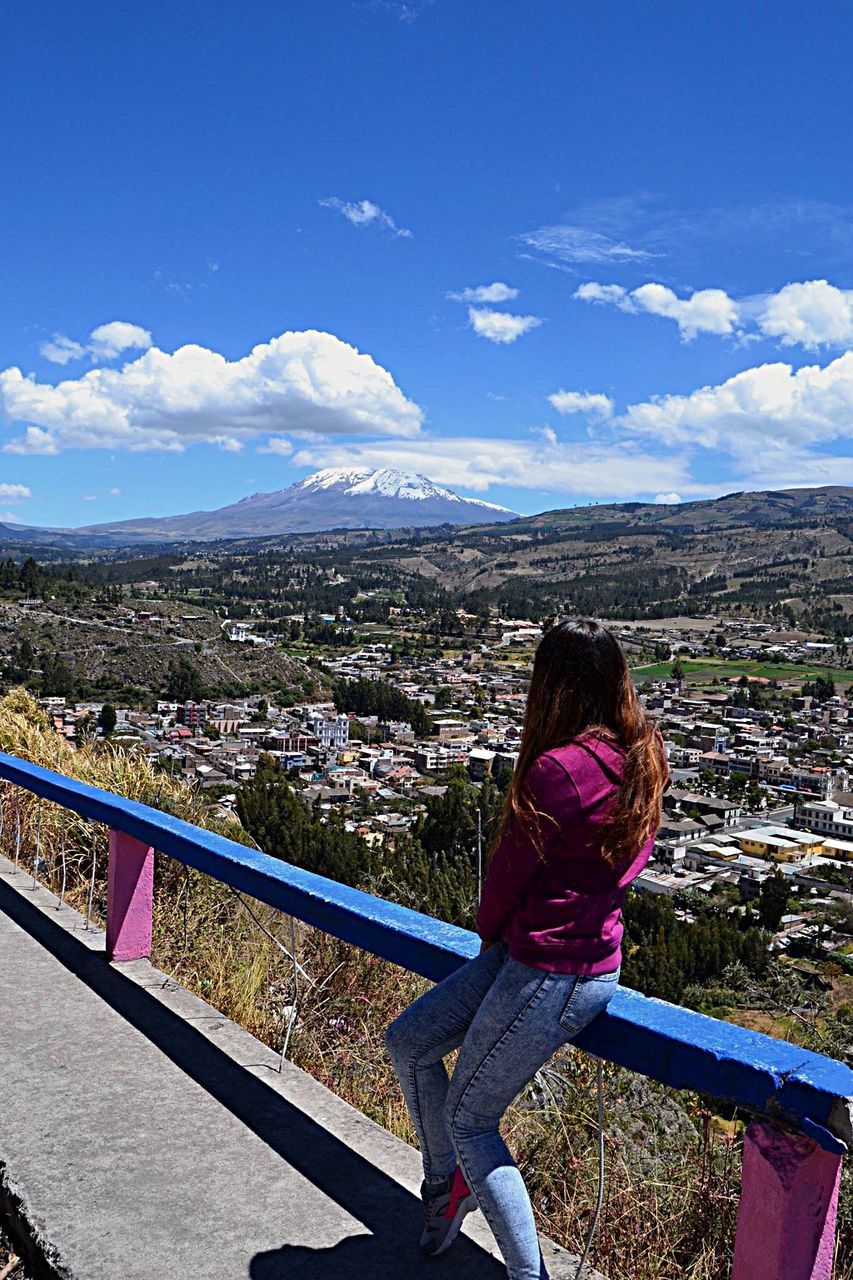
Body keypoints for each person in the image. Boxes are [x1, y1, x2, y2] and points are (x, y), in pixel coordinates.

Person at [384, 616, 669, 1280]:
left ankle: (526, 1274)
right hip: (575, 960)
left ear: (551, 685)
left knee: (470, 1118)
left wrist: (494, 933)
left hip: (546, 970)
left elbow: (506, 879)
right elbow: (626, 863)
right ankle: (444, 1187)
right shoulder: (641, 753)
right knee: (409, 1042)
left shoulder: (555, 769)